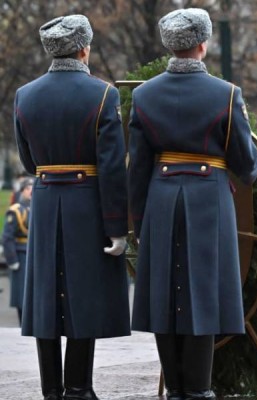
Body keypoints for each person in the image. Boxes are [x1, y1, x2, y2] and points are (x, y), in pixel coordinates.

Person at [128, 8, 257, 399]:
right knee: (203, 291)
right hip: (209, 198)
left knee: (164, 295)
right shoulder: (226, 94)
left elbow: (138, 168)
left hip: (161, 197)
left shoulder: (143, 94)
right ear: (203, 44)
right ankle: (199, 390)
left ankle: (175, 389)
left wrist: (138, 222)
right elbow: (246, 164)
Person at [14, 14, 130, 400]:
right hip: (87, 202)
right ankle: (79, 387)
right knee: (85, 295)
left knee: (46, 296)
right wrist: (118, 226)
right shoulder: (103, 94)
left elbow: (29, 163)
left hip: (46, 200)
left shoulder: (24, 95)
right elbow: (112, 166)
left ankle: (51, 390)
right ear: (84, 48)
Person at [2, 178, 33, 324]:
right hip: (21, 255)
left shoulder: (37, 208)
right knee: (22, 296)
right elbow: (7, 237)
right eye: (28, 188)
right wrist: (12, 260)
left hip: (35, 254)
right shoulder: (15, 211)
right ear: (22, 191)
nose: (31, 191)